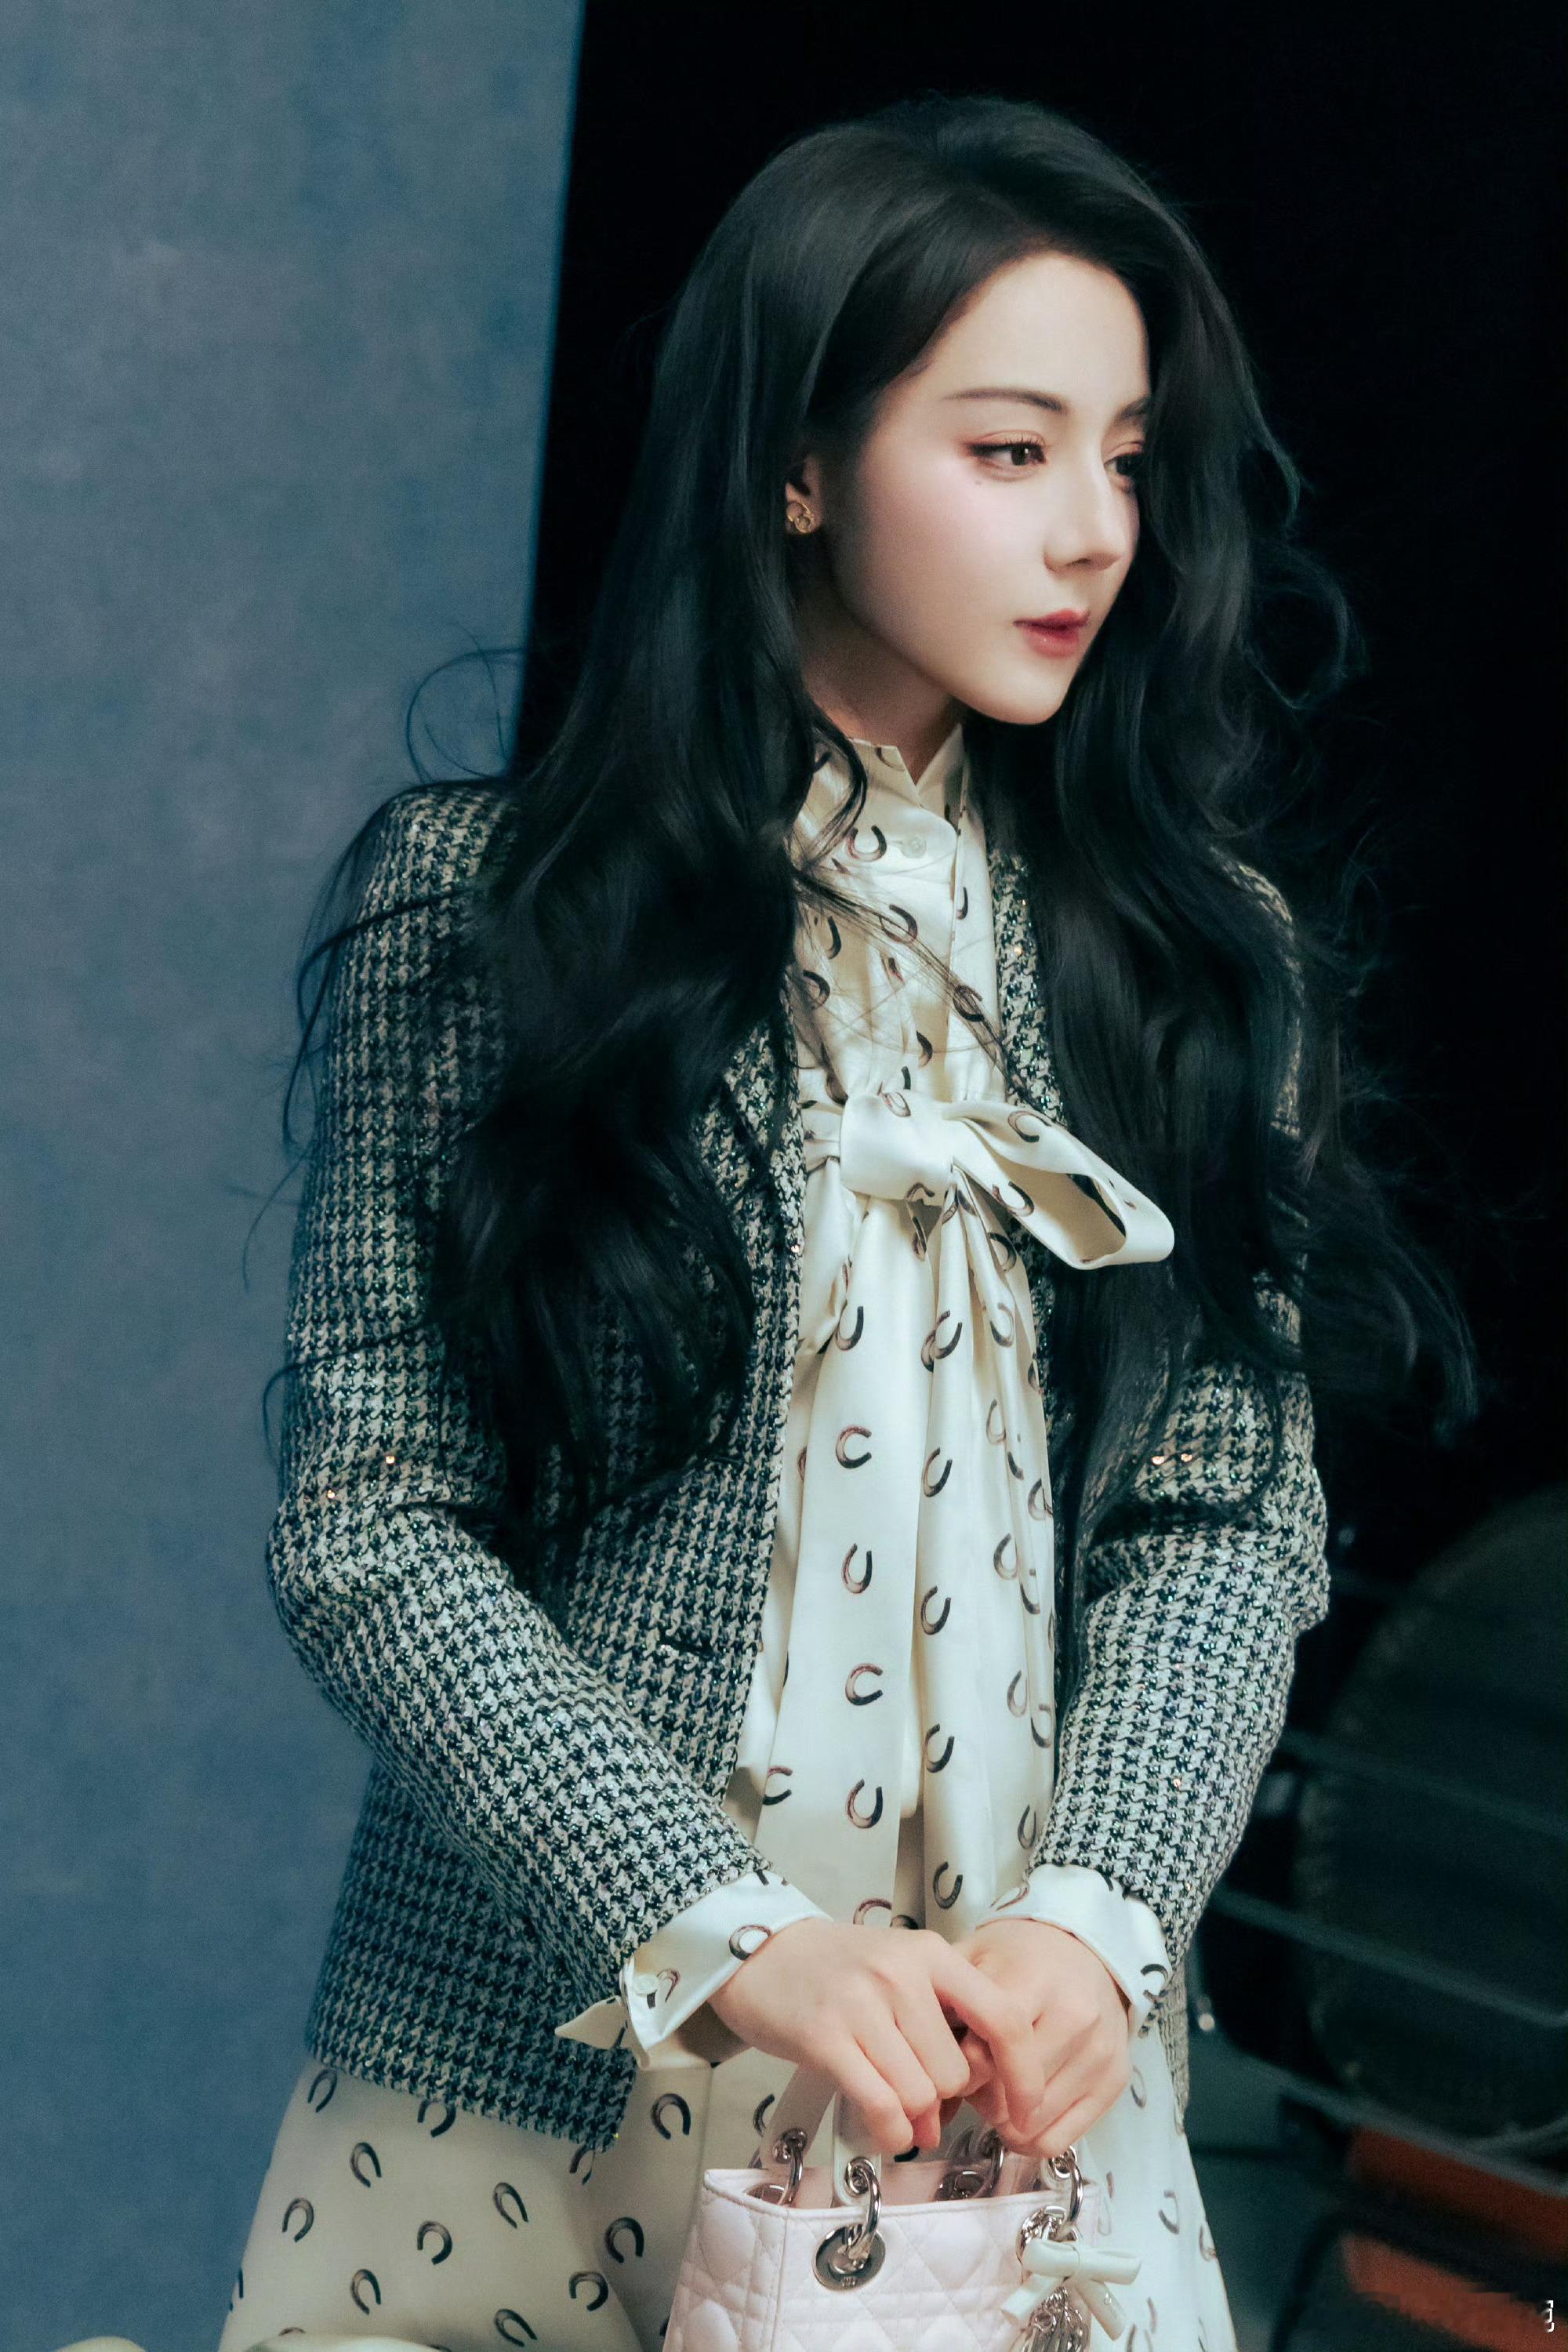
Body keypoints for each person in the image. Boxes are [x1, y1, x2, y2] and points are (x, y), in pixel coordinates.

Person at [218, 93, 1478, 2352]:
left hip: (1012, 2078)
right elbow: (371, 1521)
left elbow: (1229, 1513)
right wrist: (724, 1932)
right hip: (551, 2058)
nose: (1092, 532)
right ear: (798, 465)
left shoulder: (1197, 961)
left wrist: (1100, 1920)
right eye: (1009, 451)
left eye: (1124, 459)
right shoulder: (491, 912)